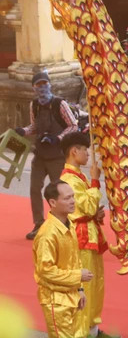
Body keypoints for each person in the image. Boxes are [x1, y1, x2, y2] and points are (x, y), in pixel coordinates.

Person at [59, 133, 120, 338]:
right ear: (73, 151)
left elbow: (88, 208)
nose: (88, 153)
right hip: (81, 236)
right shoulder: (69, 179)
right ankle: (79, 334)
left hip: (90, 232)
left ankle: (92, 330)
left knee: (96, 284)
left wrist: (95, 214)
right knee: (83, 286)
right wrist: (95, 180)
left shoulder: (78, 177)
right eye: (85, 149)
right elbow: (86, 205)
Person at [15, 72, 79, 240]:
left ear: (50, 84)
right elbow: (34, 126)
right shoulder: (34, 105)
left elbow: (73, 125)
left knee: (59, 191)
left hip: (57, 154)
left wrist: (57, 138)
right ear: (34, 87)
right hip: (40, 154)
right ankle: (38, 224)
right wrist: (24, 131)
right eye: (38, 85)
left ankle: (63, 224)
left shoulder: (60, 104)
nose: (42, 87)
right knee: (35, 189)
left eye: (45, 83)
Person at [33, 180, 94, 338]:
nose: (73, 201)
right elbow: (45, 271)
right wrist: (78, 276)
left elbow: (75, 258)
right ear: (52, 202)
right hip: (56, 301)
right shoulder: (47, 234)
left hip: (71, 295)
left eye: (73, 197)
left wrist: (80, 288)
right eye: (67, 198)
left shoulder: (69, 225)